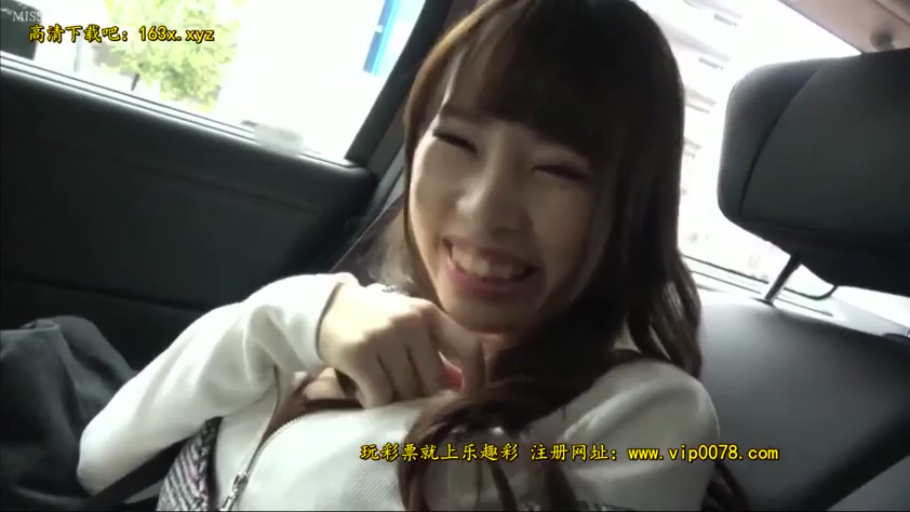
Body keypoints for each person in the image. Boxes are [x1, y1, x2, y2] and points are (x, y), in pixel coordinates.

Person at [77, 0, 748, 510]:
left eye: (558, 171)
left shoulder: (650, 415)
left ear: (631, 208)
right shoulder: (338, 320)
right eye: (457, 142)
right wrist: (285, 317)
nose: (484, 209)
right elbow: (101, 457)